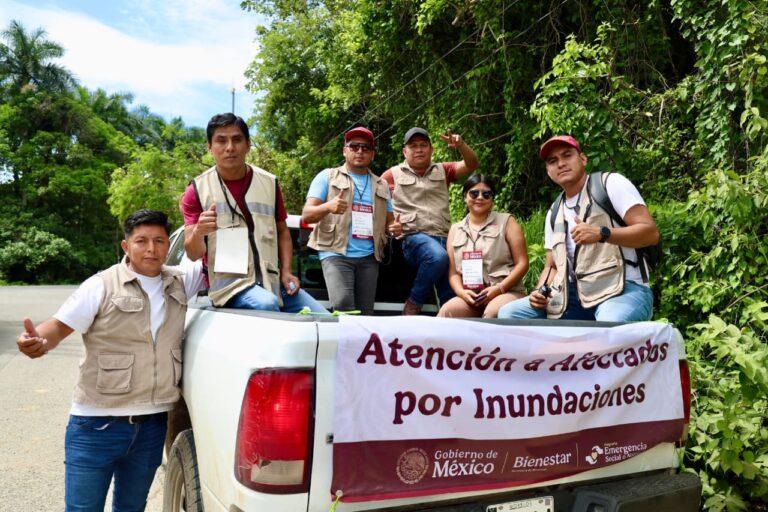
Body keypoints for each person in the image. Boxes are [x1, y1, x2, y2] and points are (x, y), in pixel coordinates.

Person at [16, 209, 205, 512]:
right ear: (126, 246)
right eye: (141, 241)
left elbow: (212, 257)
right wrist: (37, 341)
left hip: (152, 426)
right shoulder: (101, 285)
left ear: (168, 246)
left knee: (132, 508)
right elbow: (58, 327)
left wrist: (202, 227)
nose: (151, 248)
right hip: (96, 425)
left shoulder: (181, 282)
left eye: (159, 241)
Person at [498, 135, 660, 322]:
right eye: (553, 161)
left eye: (567, 155)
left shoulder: (610, 184)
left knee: (608, 324)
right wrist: (539, 292)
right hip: (574, 295)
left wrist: (602, 233)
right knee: (509, 314)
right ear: (548, 171)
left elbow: (650, 233)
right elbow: (551, 266)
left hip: (625, 288)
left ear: (583, 159)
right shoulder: (554, 212)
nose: (561, 164)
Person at [181, 113, 327, 313]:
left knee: (324, 318)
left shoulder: (269, 183)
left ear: (248, 144)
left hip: (272, 283)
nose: (230, 147)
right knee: (266, 304)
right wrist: (199, 231)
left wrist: (286, 271)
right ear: (209, 147)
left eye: (237, 140)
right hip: (230, 288)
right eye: (221, 141)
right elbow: (192, 253)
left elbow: (283, 232)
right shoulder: (196, 190)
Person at [302, 127, 402, 315]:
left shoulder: (381, 184)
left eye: (365, 148)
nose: (360, 151)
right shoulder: (327, 176)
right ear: (344, 150)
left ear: (372, 154)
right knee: (344, 307)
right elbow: (307, 214)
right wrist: (328, 206)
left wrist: (394, 227)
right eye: (354, 146)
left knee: (365, 314)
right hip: (335, 253)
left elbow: (389, 223)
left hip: (369, 257)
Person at [382, 127, 480, 315]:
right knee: (437, 257)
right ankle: (414, 302)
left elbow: (472, 164)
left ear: (431, 149)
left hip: (445, 239)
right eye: (413, 146)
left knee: (451, 298)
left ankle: (448, 328)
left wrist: (461, 145)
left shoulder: (443, 170)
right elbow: (379, 206)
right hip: (414, 239)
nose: (419, 150)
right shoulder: (391, 175)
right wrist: (389, 225)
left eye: (423, 145)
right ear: (404, 151)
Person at [438, 175, 528, 318]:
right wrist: (461, 292)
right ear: (465, 197)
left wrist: (499, 288)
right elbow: (453, 273)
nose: (480, 197)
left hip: (506, 291)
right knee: (448, 311)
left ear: (492, 199)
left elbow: (522, 263)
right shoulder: (455, 230)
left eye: (486, 194)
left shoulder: (507, 222)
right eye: (474, 193)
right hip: (472, 296)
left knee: (492, 313)